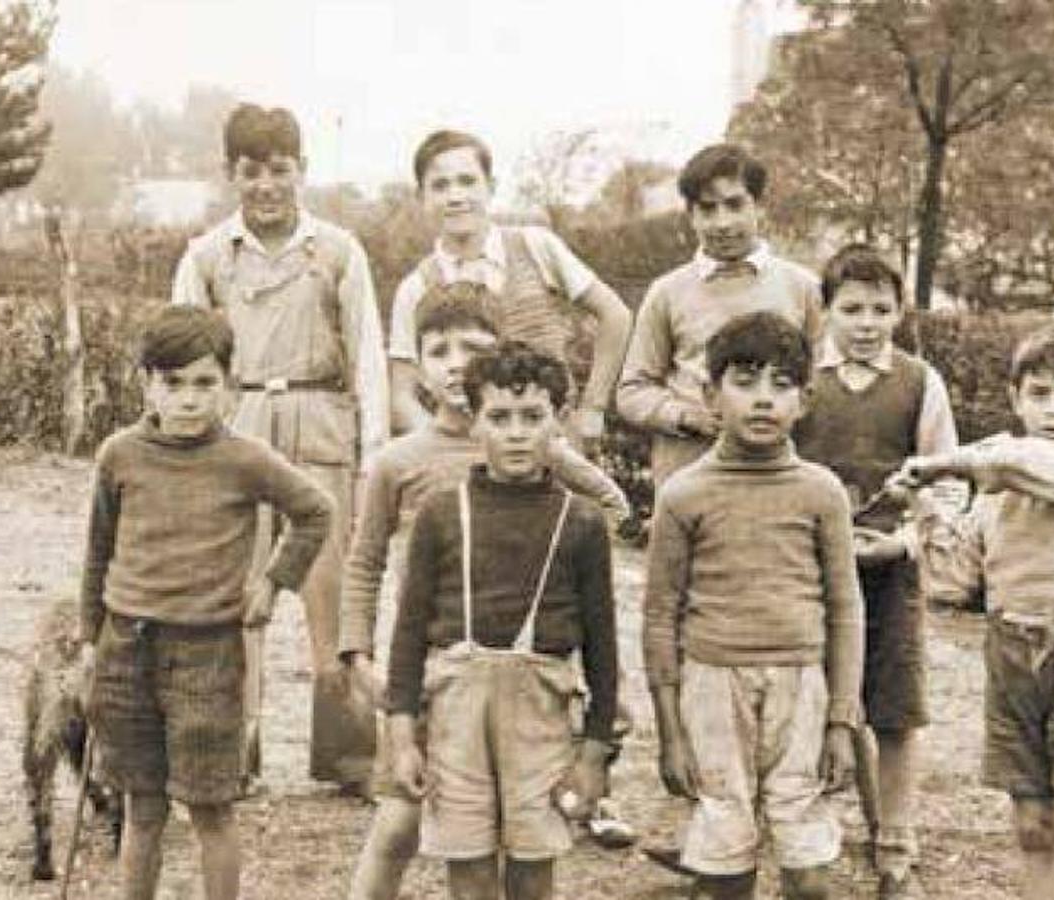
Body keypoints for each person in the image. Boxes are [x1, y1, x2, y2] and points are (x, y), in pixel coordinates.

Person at [341, 283, 628, 900]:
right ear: (476, 420)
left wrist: (597, 746)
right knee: (458, 861)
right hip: (451, 702)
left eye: (533, 418)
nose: (518, 433)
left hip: (540, 708)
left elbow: (604, 646)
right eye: (500, 418)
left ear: (557, 418)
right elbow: (408, 621)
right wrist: (396, 722)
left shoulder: (576, 520)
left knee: (532, 864)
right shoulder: (439, 507)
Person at [79, 305, 333, 900]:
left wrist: (273, 582)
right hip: (125, 647)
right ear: (147, 384)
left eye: (205, 384)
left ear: (228, 385)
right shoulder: (119, 454)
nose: (190, 400)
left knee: (211, 807)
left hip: (208, 654)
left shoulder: (244, 458)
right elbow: (98, 552)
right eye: (173, 384)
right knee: (143, 806)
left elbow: (316, 511)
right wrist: (92, 641)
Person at [170, 103, 387, 794]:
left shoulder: (338, 252)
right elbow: (178, 354)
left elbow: (370, 356)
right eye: (251, 171)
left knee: (333, 592)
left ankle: (349, 756)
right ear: (230, 174)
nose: (266, 186)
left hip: (322, 422)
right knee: (237, 596)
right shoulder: (207, 257)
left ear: (303, 171)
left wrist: (374, 446)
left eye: (280, 170)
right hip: (238, 427)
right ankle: (233, 753)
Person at [894, 324, 1054, 900]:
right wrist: (923, 504)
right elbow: (955, 581)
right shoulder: (997, 482)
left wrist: (948, 461)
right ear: (1016, 398)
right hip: (1010, 646)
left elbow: (1039, 469)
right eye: (1039, 394)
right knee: (1032, 830)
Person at [643, 312, 863, 899]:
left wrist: (842, 718)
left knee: (810, 871)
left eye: (781, 384)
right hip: (712, 686)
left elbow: (845, 608)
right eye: (745, 381)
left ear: (805, 399)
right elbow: (660, 613)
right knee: (724, 864)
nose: (763, 400)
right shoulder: (683, 494)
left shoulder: (822, 492)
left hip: (802, 688)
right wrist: (669, 731)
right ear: (712, 395)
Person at [792, 244, 958, 897]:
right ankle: (814, 837)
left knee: (892, 705)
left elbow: (948, 481)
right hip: (808, 570)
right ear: (826, 309)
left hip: (889, 567)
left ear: (900, 311)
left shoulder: (921, 382)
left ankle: (894, 844)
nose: (866, 323)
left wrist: (908, 540)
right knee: (816, 700)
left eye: (881, 309)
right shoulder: (801, 378)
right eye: (851, 308)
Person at [387, 129, 631, 449]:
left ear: (491, 187)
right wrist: (444, 448)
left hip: (553, 444)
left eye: (467, 181)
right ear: (422, 197)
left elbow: (616, 315)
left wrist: (593, 409)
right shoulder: (416, 288)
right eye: (440, 186)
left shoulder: (535, 245)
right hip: (468, 460)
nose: (456, 196)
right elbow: (401, 397)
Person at [617, 143, 824, 488]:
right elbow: (633, 390)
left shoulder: (803, 288)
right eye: (708, 209)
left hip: (777, 474)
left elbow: (822, 381)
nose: (722, 222)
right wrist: (684, 416)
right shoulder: (667, 292)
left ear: (759, 206)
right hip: (689, 472)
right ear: (691, 215)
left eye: (735, 205)